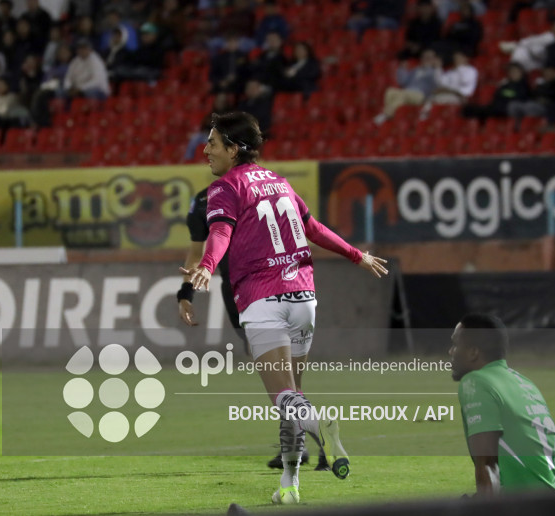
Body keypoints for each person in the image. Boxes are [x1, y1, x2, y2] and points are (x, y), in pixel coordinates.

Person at [182, 112, 389, 504]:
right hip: (304, 298)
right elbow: (312, 227)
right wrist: (355, 255)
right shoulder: (278, 181)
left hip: (264, 299)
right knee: (293, 395)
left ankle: (323, 427)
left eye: (212, 142)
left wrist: (206, 267)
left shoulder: (225, 188)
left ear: (233, 148)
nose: (205, 150)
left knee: (283, 397)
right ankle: (289, 485)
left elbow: (221, 231)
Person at [449, 313, 555, 494]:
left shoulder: (476, 382)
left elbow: (488, 464)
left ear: (474, 352)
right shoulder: (525, 383)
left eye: (456, 344)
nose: (451, 351)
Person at [374, 49, 439, 124]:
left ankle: (386, 115)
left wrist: (435, 67)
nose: (426, 59)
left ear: (434, 59)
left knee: (402, 95)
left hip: (420, 94)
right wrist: (402, 68)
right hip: (407, 91)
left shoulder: (434, 72)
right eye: (424, 57)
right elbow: (403, 82)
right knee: (390, 91)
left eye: (429, 58)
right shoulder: (415, 70)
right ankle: (389, 115)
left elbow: (436, 84)